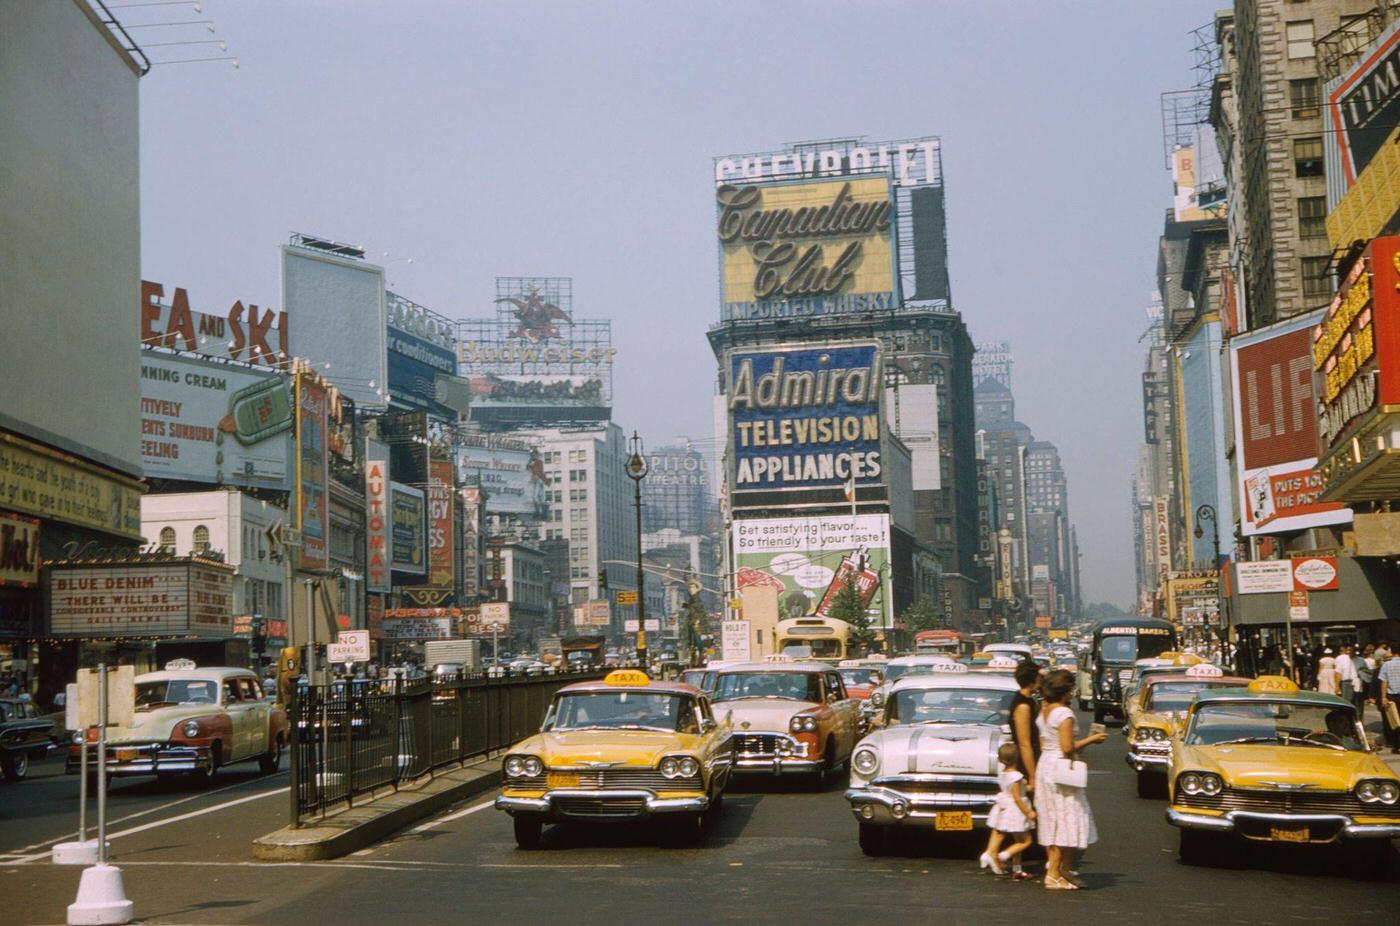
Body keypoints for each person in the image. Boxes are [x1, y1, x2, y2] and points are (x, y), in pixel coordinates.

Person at [1035, 668, 1106, 890]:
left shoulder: (1044, 711)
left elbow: (1043, 743)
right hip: (1061, 768)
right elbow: (1067, 747)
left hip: (1045, 765)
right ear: (1065, 692)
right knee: (1066, 818)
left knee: (1055, 817)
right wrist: (1092, 739)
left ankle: (1063, 869)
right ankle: (1053, 873)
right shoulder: (1064, 714)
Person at [981, 743, 1037, 879]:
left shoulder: (1003, 774)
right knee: (1026, 841)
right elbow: (1017, 797)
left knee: (1017, 840)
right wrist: (1028, 812)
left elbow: (1017, 789)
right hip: (1016, 810)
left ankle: (1017, 869)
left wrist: (1030, 787)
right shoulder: (1017, 776)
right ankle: (1002, 856)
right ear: (1017, 758)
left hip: (1005, 806)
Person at [1010, 661, 1041, 794]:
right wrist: (1032, 776)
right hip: (1026, 762)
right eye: (1038, 677)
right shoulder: (1023, 706)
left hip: (1034, 757)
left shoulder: (1029, 701)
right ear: (1031, 681)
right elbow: (1024, 744)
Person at [1378, 652, 1400, 754]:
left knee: (1394, 721)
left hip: (1392, 697)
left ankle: (1397, 745)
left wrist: (1383, 697)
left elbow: (1384, 681)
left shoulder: (1386, 665)